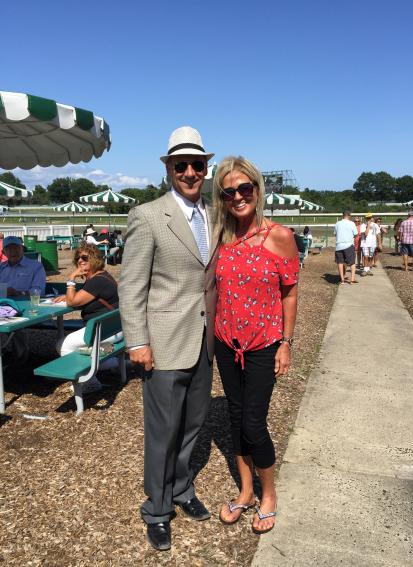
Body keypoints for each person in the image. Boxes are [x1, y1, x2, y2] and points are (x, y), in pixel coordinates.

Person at [118, 126, 217, 551]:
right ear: (169, 169)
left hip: (205, 340)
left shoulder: (215, 213)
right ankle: (157, 509)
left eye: (197, 164)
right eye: (182, 165)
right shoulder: (147, 215)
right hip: (162, 341)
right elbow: (131, 285)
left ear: (205, 168)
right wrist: (137, 341)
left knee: (193, 425)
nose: (191, 172)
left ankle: (180, 489)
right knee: (163, 431)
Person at [213, 156, 298, 535]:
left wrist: (287, 342)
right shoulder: (223, 237)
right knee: (234, 418)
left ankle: (269, 495)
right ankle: (246, 491)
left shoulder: (279, 236)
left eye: (244, 188)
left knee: (253, 421)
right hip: (225, 344)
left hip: (263, 344)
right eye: (228, 191)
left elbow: (290, 293)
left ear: (258, 190)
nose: (237, 197)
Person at [54, 244, 121, 393]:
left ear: (95, 259)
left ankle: (90, 382)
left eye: (85, 258)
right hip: (112, 328)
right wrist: (70, 296)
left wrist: (71, 278)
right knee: (72, 348)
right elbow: (84, 297)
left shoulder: (97, 281)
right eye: (78, 258)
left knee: (63, 345)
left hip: (102, 330)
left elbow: (72, 302)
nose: (80, 261)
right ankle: (114, 363)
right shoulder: (101, 277)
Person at [0, 235, 46, 360]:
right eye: (9, 249)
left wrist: (18, 293)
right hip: (3, 307)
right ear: (4, 252)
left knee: (15, 323)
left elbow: (39, 291)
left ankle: (20, 359)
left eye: (16, 248)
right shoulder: (1, 267)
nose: (13, 251)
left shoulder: (35, 266)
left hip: (26, 308)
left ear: (22, 249)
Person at [333, 211, 358, 284]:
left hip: (339, 246)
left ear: (342, 215)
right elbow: (356, 234)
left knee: (340, 263)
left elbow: (335, 234)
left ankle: (342, 280)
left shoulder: (337, 223)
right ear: (349, 216)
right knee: (352, 263)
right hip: (349, 245)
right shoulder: (351, 223)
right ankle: (352, 279)